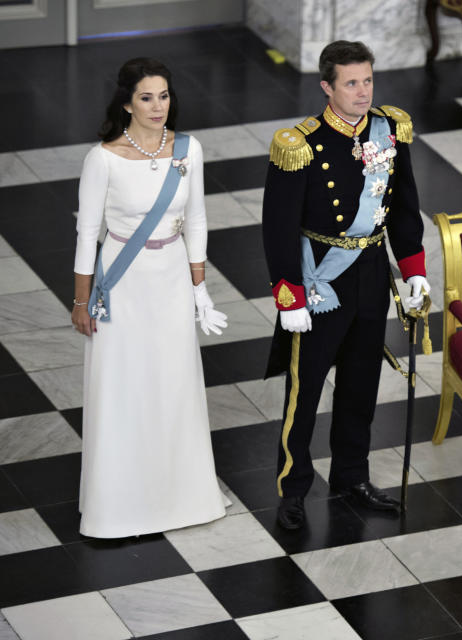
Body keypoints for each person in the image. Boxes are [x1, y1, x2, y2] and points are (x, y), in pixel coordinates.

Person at [261, 40, 430, 529]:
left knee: (361, 385)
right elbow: (277, 226)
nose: (362, 92)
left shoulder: (390, 130)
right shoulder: (301, 145)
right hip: (320, 280)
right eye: (351, 83)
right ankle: (293, 489)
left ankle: (351, 478)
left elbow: (402, 207)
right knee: (305, 390)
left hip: (372, 274)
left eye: (368, 80)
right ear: (327, 87)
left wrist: (414, 270)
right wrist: (287, 294)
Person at [72, 58, 229, 538]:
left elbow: (197, 218)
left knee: (174, 384)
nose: (157, 106)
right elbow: (87, 234)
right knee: (125, 389)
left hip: (171, 281)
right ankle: (118, 507)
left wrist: (199, 286)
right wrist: (81, 302)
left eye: (163, 95)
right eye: (146, 97)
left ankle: (183, 497)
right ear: (126, 102)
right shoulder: (103, 159)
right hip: (123, 283)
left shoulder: (188, 149)